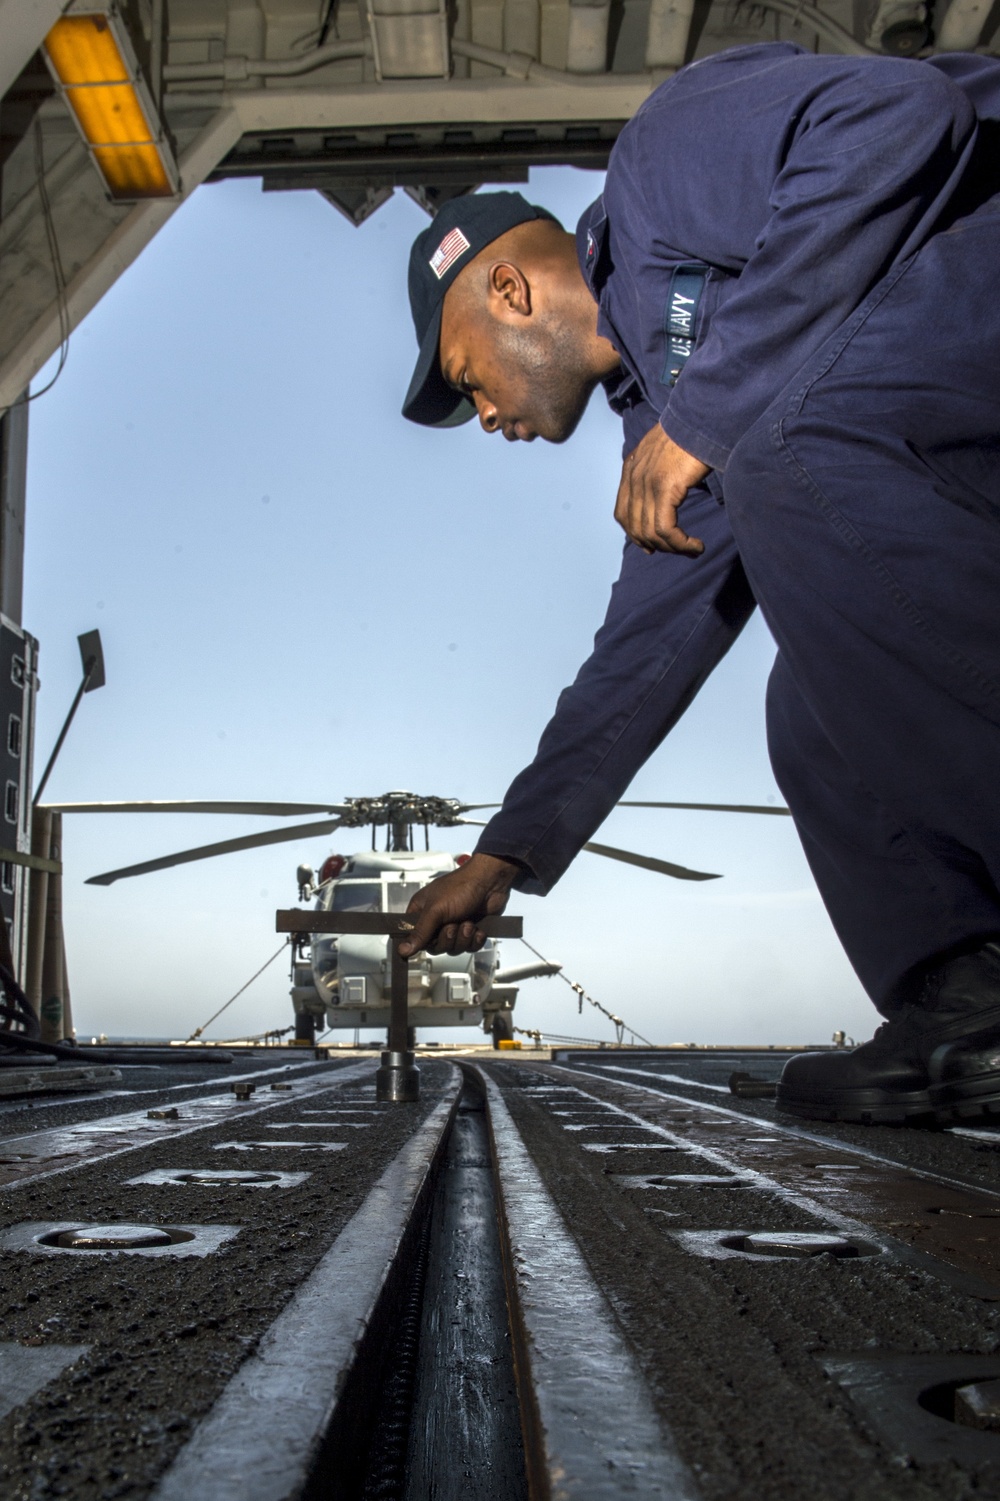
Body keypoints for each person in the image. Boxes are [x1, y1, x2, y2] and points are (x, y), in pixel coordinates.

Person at [397, 40, 1000, 1128]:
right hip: (945, 391)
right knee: (815, 701)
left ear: (507, 286)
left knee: (783, 448)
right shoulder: (669, 403)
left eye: (464, 377)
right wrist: (506, 853)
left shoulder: (665, 161)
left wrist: (709, 418)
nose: (484, 416)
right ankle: (968, 1007)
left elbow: (901, 114)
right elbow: (642, 651)